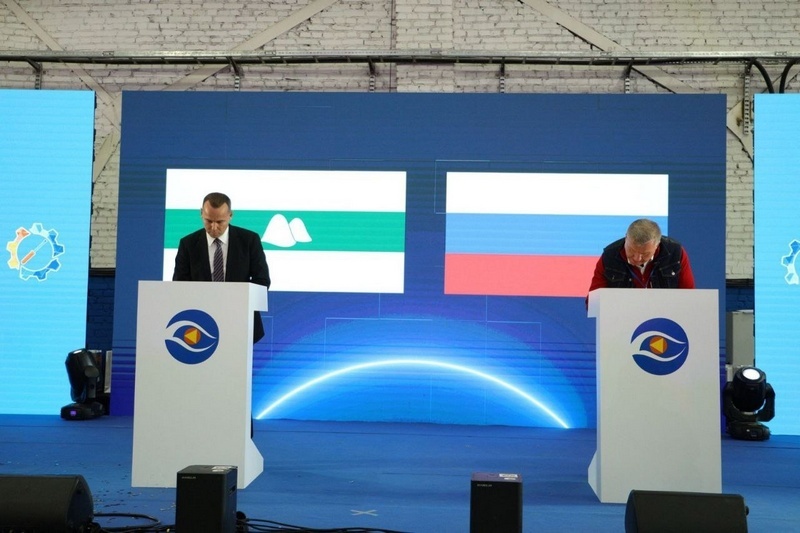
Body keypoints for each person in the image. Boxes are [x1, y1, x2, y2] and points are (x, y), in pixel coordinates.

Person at [173, 191, 270, 341]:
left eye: (220, 222)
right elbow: (179, 285)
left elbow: (262, 281)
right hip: (199, 323)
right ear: (201, 213)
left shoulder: (249, 240)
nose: (213, 227)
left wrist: (233, 301)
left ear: (230, 216)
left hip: (241, 322)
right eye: (208, 221)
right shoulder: (188, 244)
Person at [588, 218, 694, 296]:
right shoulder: (609, 256)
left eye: (645, 254)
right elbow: (593, 301)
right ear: (626, 238)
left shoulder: (675, 253)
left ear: (657, 245)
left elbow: (688, 296)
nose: (637, 258)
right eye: (631, 250)